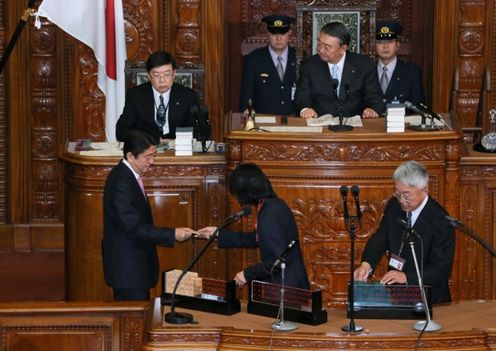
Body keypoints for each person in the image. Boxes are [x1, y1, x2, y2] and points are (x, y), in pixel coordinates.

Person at [102, 130, 194, 301]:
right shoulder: (120, 183)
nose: (152, 162)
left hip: (135, 266)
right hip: (128, 271)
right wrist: (172, 234)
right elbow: (133, 228)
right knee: (133, 321)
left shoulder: (129, 176)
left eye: (154, 155)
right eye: (147, 157)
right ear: (130, 156)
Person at [353, 160, 455, 304]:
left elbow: (441, 270)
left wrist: (406, 277)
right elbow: (381, 238)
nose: (401, 200)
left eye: (407, 195)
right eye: (397, 193)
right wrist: (366, 264)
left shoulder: (441, 221)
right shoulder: (394, 206)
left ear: (425, 190)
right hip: (397, 295)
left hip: (428, 300)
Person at [196, 163, 310, 290]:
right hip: (291, 283)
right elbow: (256, 238)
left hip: (285, 291)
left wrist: (246, 274)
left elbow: (277, 262)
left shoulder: (269, 215)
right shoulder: (275, 204)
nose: (238, 199)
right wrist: (218, 234)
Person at [294, 21, 385, 119]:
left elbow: (375, 97)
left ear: (343, 48)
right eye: (319, 43)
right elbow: (301, 97)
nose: (320, 50)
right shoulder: (309, 65)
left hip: (354, 127)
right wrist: (305, 109)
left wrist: (372, 109)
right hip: (320, 124)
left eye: (327, 47)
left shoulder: (363, 65)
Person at [116, 51, 200, 141]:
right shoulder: (136, 95)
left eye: (167, 74)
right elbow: (122, 131)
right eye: (156, 75)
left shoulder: (188, 96)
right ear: (148, 75)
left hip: (178, 148)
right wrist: (147, 140)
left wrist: (177, 141)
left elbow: (197, 131)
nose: (162, 80)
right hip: (146, 148)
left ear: (174, 73)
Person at [239, 14, 297, 116]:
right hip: (263, 122)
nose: (278, 38)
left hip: (294, 122)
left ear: (290, 32)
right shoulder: (254, 59)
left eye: (283, 33)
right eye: (274, 33)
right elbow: (247, 95)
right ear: (267, 33)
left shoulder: (299, 58)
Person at [375, 20, 425, 104]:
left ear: (397, 45)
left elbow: (418, 107)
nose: (385, 46)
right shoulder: (367, 70)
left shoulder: (411, 71)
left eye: (390, 42)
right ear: (374, 46)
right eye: (380, 42)